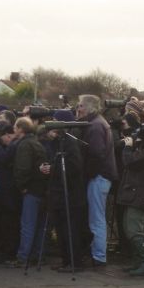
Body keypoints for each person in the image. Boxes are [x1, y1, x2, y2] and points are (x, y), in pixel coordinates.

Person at [39, 110, 86, 273]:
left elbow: (74, 166)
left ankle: (74, 261)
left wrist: (54, 168)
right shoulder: (54, 143)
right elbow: (51, 159)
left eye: (55, 121)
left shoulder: (70, 143)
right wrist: (45, 167)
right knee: (60, 229)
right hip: (57, 192)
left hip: (70, 193)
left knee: (70, 230)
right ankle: (65, 260)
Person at [77, 94, 118, 267]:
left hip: (99, 177)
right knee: (97, 217)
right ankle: (97, 254)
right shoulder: (100, 123)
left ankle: (99, 256)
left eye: (79, 106)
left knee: (96, 218)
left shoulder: (94, 127)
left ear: (87, 107)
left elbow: (96, 154)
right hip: (102, 176)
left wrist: (88, 175)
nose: (77, 109)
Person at [117, 111, 144, 276]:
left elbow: (129, 162)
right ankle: (138, 261)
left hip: (142, 194)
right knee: (129, 228)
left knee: (135, 229)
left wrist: (127, 147)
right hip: (134, 193)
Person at [8, 117, 49, 267]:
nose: (13, 130)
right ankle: (38, 255)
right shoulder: (37, 143)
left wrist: (22, 186)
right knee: (39, 225)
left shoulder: (24, 145)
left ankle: (22, 257)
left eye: (15, 127)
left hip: (31, 189)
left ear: (20, 128)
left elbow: (23, 168)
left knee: (28, 225)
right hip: (42, 189)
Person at [0, 121, 21, 264]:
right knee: (4, 221)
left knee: (9, 223)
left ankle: (9, 251)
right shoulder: (11, 146)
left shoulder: (14, 146)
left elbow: (3, 159)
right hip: (5, 190)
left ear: (8, 135)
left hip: (10, 191)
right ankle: (2, 248)